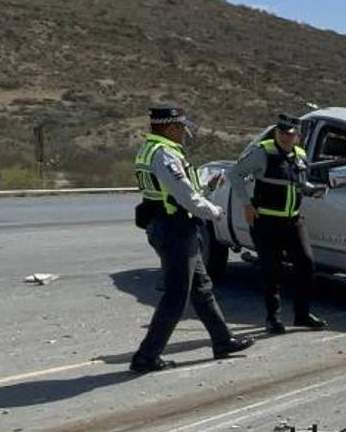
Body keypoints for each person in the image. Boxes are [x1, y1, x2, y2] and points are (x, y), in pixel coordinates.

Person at [130, 105, 254, 372]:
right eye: (182, 127)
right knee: (176, 296)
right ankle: (146, 356)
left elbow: (180, 189)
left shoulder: (153, 148)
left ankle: (223, 340)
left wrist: (208, 188)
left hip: (173, 226)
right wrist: (214, 211)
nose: (185, 132)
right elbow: (183, 195)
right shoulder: (163, 153)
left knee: (200, 287)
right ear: (171, 127)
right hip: (174, 229)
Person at [230, 114, 328, 334]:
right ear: (276, 132)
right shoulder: (262, 153)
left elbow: (299, 184)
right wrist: (247, 204)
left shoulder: (300, 155)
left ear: (298, 137)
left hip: (293, 220)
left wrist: (312, 191)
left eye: (290, 134)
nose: (284, 137)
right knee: (271, 271)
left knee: (306, 264)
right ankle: (273, 319)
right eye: (281, 132)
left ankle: (302, 315)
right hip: (266, 221)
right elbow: (235, 174)